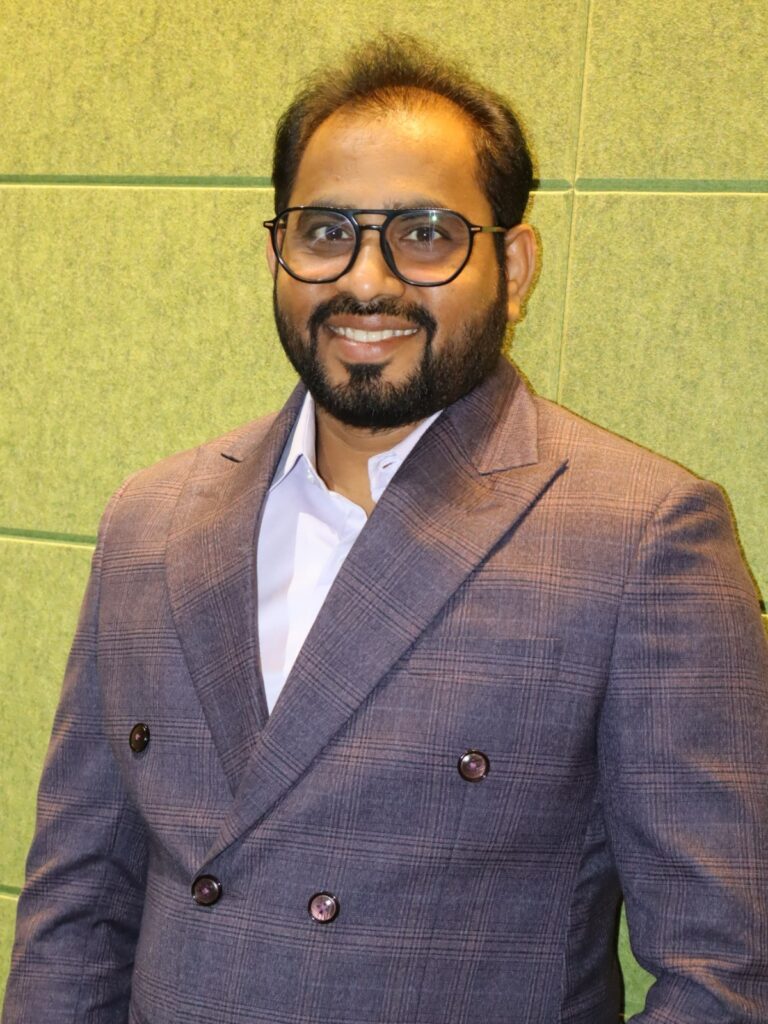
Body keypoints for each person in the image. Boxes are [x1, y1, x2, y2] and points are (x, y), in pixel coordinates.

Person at [3, 35, 767, 1024]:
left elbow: (725, 972)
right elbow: (74, 913)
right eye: (325, 231)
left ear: (514, 266)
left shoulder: (644, 537)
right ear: (275, 254)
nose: (367, 280)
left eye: (425, 233)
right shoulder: (151, 520)